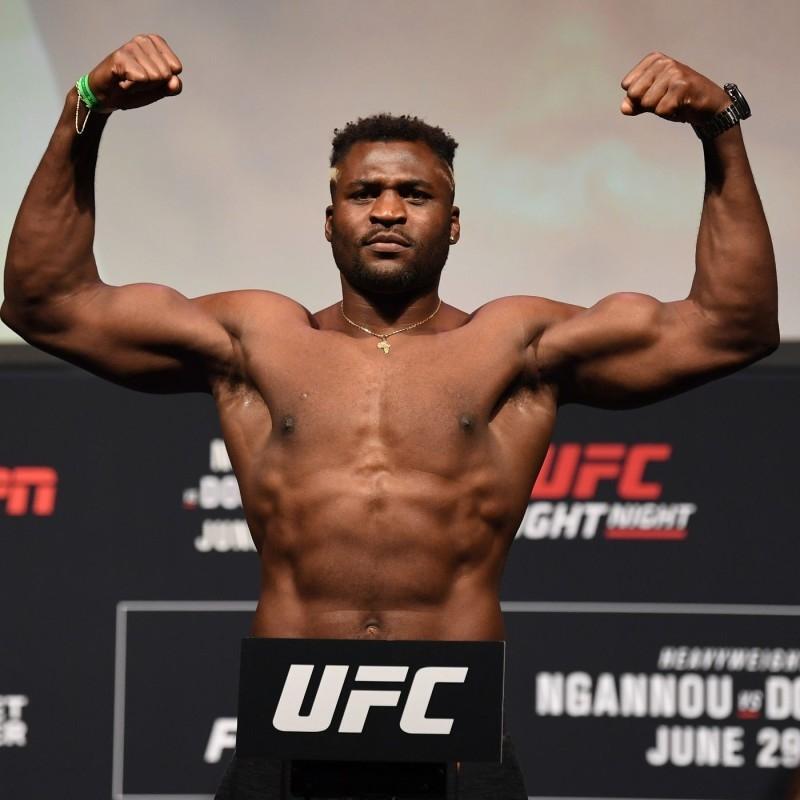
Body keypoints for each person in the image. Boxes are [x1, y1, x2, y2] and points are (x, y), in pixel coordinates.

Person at [2, 34, 778, 800]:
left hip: (457, 753)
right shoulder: (258, 343)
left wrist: (719, 127)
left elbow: (729, 326)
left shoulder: (515, 348)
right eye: (363, 193)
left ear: (454, 221)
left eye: (415, 194)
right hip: (287, 744)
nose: (387, 211)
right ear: (329, 218)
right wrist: (87, 106)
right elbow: (47, 302)